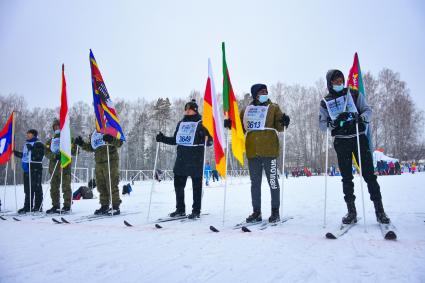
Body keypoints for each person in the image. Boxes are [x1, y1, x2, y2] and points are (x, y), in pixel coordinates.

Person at [319, 69, 390, 224]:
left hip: (358, 138)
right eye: (335, 81)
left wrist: (361, 118)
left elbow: (368, 110)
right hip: (341, 141)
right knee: (346, 177)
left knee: (369, 175)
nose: (339, 83)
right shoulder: (325, 101)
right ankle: (351, 211)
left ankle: (380, 211)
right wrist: (332, 123)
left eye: (340, 80)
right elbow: (322, 125)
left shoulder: (354, 94)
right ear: (330, 83)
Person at [226, 83, 289, 223]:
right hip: (252, 151)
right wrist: (231, 124)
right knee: (255, 183)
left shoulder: (273, 107)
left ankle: (275, 211)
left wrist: (284, 121)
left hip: (269, 150)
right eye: (261, 92)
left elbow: (280, 127)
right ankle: (256, 212)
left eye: (266, 91)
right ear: (255, 95)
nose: (265, 93)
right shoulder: (247, 110)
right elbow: (239, 128)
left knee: (273, 181)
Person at [156, 99, 212, 219]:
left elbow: (210, 142)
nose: (187, 111)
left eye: (189, 109)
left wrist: (205, 137)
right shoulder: (181, 123)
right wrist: (163, 138)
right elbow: (175, 140)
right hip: (182, 159)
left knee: (197, 187)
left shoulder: (202, 123)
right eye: (186, 109)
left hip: (196, 159)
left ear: (195, 110)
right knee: (178, 185)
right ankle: (180, 209)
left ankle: (196, 210)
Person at [74, 130, 123, 215]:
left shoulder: (111, 128)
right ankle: (104, 205)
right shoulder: (95, 134)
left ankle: (115, 206)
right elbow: (92, 147)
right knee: (101, 185)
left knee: (111, 184)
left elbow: (120, 142)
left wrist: (111, 139)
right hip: (99, 163)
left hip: (110, 161)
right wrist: (81, 143)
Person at [45, 119, 74, 214]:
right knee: (54, 187)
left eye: (58, 126)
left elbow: (74, 151)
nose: (57, 128)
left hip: (64, 166)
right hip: (53, 167)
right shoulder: (50, 140)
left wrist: (74, 146)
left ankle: (67, 205)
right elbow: (46, 152)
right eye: (55, 126)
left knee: (66, 186)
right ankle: (55, 205)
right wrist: (54, 156)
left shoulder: (67, 138)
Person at [13, 129, 45, 213]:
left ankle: (38, 206)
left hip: (35, 169)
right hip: (27, 169)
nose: (27, 135)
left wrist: (33, 149)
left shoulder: (39, 143)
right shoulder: (26, 144)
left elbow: (40, 155)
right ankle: (27, 206)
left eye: (29, 134)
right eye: (27, 133)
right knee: (27, 189)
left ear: (34, 135)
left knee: (36, 187)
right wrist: (16, 153)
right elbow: (25, 155)